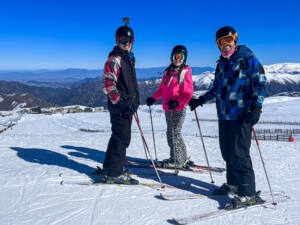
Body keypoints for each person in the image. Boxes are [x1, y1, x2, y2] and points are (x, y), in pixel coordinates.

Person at [189, 26, 267, 209]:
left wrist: (257, 106)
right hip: (224, 115)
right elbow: (217, 89)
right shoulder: (221, 63)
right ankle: (233, 184)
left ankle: (247, 193)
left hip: (242, 115)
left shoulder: (247, 58)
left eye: (228, 41)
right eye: (220, 42)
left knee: (240, 154)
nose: (225, 45)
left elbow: (260, 81)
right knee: (227, 152)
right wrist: (201, 100)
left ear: (235, 40)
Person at [101, 20, 140, 184]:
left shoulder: (129, 59)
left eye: (129, 41)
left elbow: (129, 84)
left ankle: (110, 167)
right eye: (123, 40)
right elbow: (108, 84)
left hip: (127, 106)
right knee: (122, 139)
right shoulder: (115, 59)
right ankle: (114, 173)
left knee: (118, 137)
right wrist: (121, 102)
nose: (126, 44)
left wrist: (134, 101)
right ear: (117, 41)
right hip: (120, 107)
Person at [146, 45, 193, 169]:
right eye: (175, 56)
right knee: (171, 133)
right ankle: (178, 157)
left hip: (178, 109)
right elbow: (162, 89)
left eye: (180, 56)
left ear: (184, 59)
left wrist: (178, 102)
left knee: (174, 133)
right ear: (171, 57)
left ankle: (178, 160)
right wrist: (153, 98)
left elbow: (188, 94)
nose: (177, 59)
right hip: (168, 109)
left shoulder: (184, 73)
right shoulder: (168, 72)